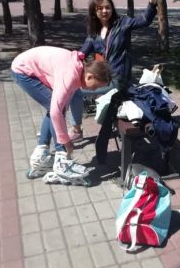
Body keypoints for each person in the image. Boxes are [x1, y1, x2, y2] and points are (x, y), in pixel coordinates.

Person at [69, 0, 165, 165]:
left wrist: (152, 1)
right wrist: (65, 63)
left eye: (107, 7)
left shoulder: (123, 24)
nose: (104, 11)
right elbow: (80, 55)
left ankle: (76, 128)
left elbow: (144, 20)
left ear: (112, 8)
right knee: (73, 91)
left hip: (120, 80)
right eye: (100, 8)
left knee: (75, 93)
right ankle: (77, 127)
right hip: (103, 79)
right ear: (94, 12)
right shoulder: (94, 34)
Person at [11, 46, 111, 184]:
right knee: (56, 109)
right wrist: (65, 141)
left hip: (29, 64)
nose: (94, 90)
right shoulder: (69, 76)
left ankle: (41, 155)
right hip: (22, 70)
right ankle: (61, 160)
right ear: (89, 76)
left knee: (56, 107)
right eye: (96, 86)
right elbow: (56, 111)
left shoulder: (78, 71)